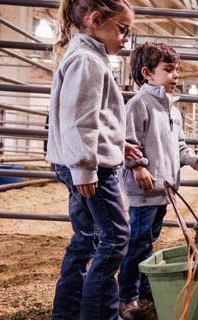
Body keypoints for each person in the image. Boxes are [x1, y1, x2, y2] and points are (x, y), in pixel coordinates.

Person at [45, 1, 134, 319]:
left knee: (87, 238)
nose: (126, 38)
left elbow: (88, 117)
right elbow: (79, 121)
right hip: (91, 169)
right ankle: (101, 314)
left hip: (78, 163)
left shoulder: (84, 57)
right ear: (96, 20)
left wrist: (118, 144)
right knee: (115, 237)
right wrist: (85, 168)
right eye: (122, 29)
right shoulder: (87, 61)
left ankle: (67, 313)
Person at [118, 41, 198, 319]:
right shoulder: (139, 105)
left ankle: (142, 282)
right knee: (138, 241)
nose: (175, 75)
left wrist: (193, 160)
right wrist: (137, 167)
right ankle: (127, 297)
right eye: (168, 70)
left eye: (176, 70)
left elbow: (179, 145)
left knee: (149, 239)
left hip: (164, 189)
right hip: (144, 188)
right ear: (147, 73)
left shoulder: (172, 110)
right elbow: (128, 141)